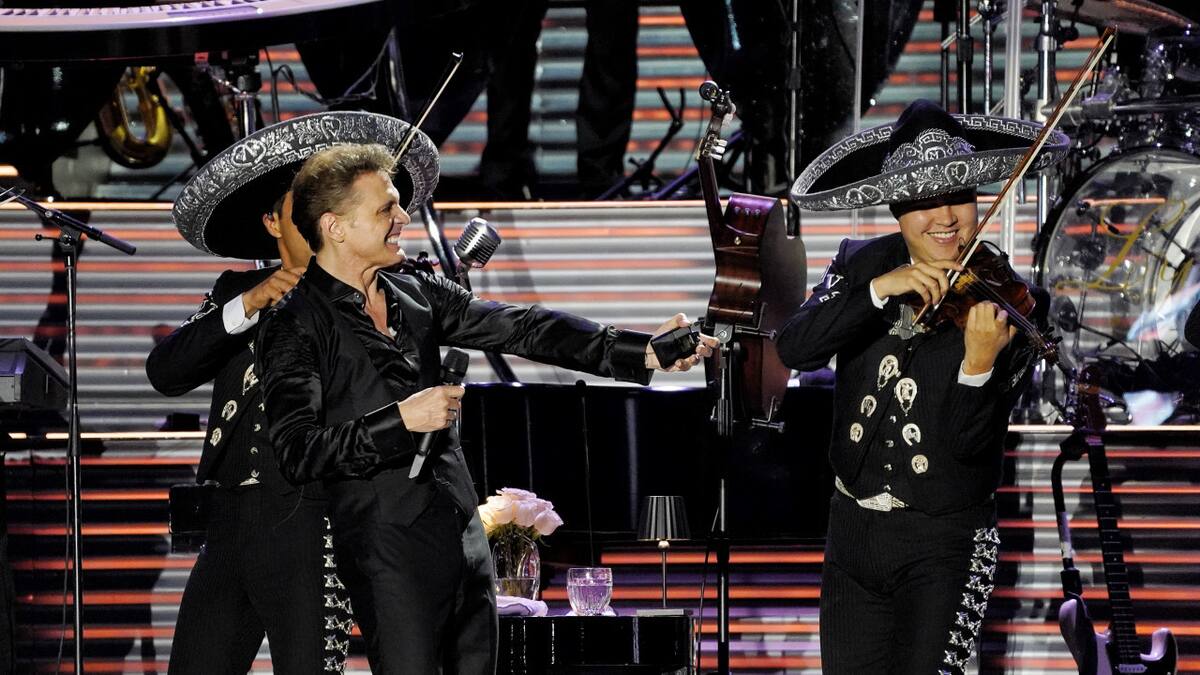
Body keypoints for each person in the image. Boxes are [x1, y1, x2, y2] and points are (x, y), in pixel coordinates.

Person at [255, 142, 715, 673]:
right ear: (334, 227)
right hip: (387, 552)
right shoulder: (294, 323)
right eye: (386, 209)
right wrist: (400, 421)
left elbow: (524, 327)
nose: (403, 216)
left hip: (465, 538)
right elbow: (297, 451)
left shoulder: (415, 292)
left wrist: (642, 350)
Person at [778, 99, 1067, 674]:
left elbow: (966, 447)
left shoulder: (1006, 300)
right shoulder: (860, 263)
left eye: (958, 196)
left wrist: (978, 365)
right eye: (924, 201)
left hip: (946, 542)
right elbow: (795, 347)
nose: (946, 217)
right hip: (854, 536)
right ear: (896, 206)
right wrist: (879, 290)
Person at [155, 110, 430, 673]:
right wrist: (250, 304)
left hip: (315, 516)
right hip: (233, 515)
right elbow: (168, 371)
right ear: (274, 224)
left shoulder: (375, 291)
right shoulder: (235, 292)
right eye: (298, 208)